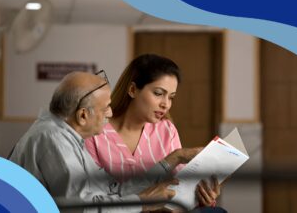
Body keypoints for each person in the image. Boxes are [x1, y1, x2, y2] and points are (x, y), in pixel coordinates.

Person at [9, 71, 199, 213]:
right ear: (83, 115)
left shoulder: (66, 136)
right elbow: (86, 209)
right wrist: (142, 202)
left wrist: (173, 159)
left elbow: (112, 189)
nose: (110, 113)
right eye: (106, 108)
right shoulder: (52, 139)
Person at [85, 54, 221, 207]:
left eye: (171, 97)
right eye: (158, 93)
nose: (166, 104)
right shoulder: (94, 133)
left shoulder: (167, 130)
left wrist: (201, 197)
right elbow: (92, 198)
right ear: (132, 90)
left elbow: (180, 187)